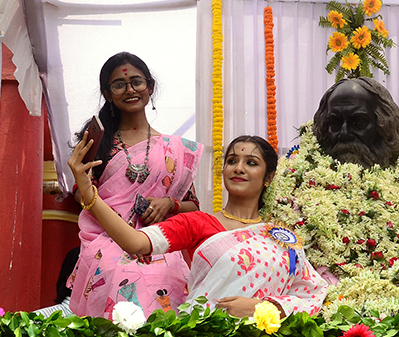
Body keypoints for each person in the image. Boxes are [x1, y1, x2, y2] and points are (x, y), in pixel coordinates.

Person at [265, 77, 399, 317]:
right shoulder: (289, 186)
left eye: (358, 122)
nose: (343, 133)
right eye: (334, 123)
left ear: (384, 126)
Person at [69, 134, 327, 317]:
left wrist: (263, 308)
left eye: (251, 163)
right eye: (232, 161)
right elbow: (135, 243)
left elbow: (312, 293)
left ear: (268, 177)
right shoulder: (197, 222)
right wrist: (88, 192)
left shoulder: (280, 236)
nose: (238, 168)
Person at [67, 52, 204, 319]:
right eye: (119, 85)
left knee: (166, 277)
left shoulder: (174, 149)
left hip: (158, 242)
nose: (130, 90)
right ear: (108, 94)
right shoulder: (97, 144)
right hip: (107, 240)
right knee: (118, 271)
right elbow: (82, 196)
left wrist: (169, 204)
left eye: (137, 82)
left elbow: (194, 206)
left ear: (149, 87)